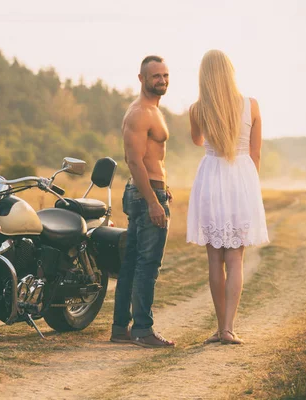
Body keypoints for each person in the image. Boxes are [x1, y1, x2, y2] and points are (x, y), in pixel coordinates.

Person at [186, 49, 269, 345]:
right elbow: (256, 153)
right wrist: (251, 189)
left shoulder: (198, 109)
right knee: (236, 259)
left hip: (211, 179)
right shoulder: (252, 105)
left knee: (214, 259)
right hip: (241, 179)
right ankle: (229, 328)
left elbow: (197, 141)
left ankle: (219, 327)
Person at [110, 55, 175, 348]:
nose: (161, 80)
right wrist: (152, 201)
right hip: (144, 194)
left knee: (132, 263)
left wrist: (164, 188)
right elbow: (134, 161)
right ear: (141, 79)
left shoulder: (153, 110)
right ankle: (143, 330)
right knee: (147, 265)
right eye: (155, 76)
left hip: (148, 190)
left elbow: (152, 158)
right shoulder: (139, 113)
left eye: (164, 75)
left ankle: (120, 328)